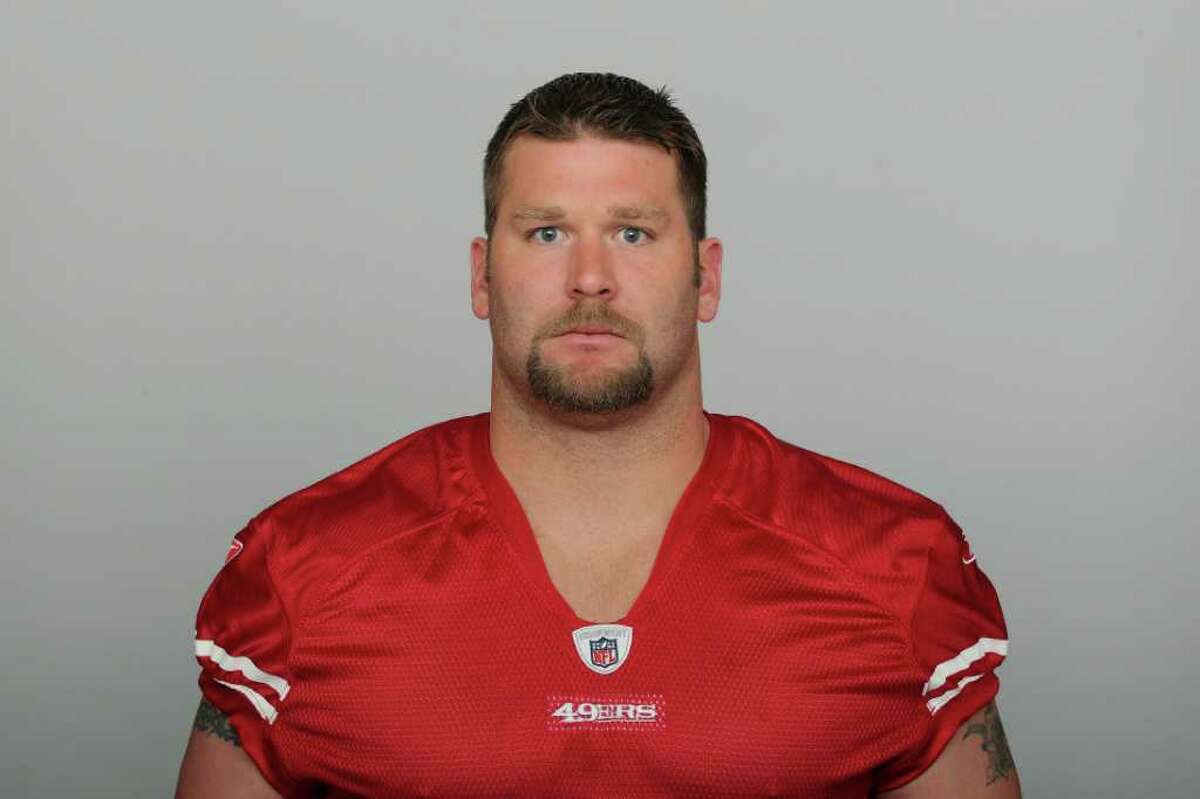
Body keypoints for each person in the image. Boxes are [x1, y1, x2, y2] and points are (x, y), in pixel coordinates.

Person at [175, 72, 1020, 798]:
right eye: (547, 232)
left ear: (705, 276)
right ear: (481, 275)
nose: (589, 279)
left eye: (632, 232)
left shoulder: (892, 563)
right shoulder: (301, 569)